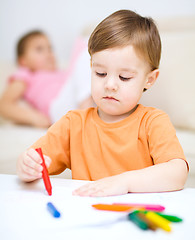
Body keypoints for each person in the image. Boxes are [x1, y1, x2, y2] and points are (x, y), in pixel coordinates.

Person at [17, 10, 188, 197]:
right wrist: (27, 166)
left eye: (124, 77)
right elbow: (36, 159)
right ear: (91, 68)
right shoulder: (73, 123)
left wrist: (124, 182)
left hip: (137, 216)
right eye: (100, 73)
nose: (110, 85)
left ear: (149, 79)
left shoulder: (153, 122)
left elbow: (177, 173)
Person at [0, 30, 93, 128]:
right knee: (87, 51)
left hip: (76, 99)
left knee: (90, 46)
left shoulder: (59, 72)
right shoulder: (26, 74)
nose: (48, 53)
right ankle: (85, 117)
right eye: (39, 49)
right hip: (59, 108)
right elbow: (4, 105)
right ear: (23, 61)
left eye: (50, 48)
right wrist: (34, 117)